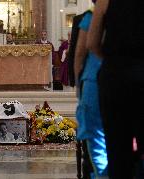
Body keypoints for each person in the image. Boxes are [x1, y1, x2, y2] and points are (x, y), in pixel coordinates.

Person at [87, 0, 144, 178]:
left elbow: (91, 43)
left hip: (115, 78)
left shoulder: (104, 1)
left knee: (117, 149)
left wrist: (113, 60)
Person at [74, 0, 108, 178]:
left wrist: (79, 87)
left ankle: (102, 175)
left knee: (97, 140)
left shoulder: (93, 14)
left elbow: (83, 51)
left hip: (95, 79)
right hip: (126, 77)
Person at [67, 11, 90, 87]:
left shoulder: (86, 17)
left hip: (89, 70)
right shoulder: (84, 17)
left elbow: (77, 51)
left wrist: (75, 79)